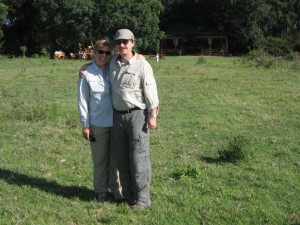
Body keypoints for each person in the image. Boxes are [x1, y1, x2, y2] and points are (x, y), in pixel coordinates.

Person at [109, 29, 159, 209]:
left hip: (137, 116)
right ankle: (129, 195)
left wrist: (153, 115)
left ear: (132, 43)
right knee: (122, 159)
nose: (121, 45)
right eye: (118, 42)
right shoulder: (112, 62)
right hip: (117, 117)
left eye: (125, 42)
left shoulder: (142, 64)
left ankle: (143, 199)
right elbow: (97, 63)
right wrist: (83, 68)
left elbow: (151, 91)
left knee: (139, 159)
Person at [77, 39, 122, 203]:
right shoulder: (86, 73)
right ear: (94, 53)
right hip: (97, 124)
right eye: (100, 52)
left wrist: (140, 57)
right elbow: (82, 101)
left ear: (112, 55)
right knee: (100, 161)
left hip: (116, 122)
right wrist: (85, 125)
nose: (103, 55)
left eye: (107, 52)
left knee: (115, 161)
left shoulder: (115, 68)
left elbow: (131, 58)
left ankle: (116, 190)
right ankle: (101, 191)